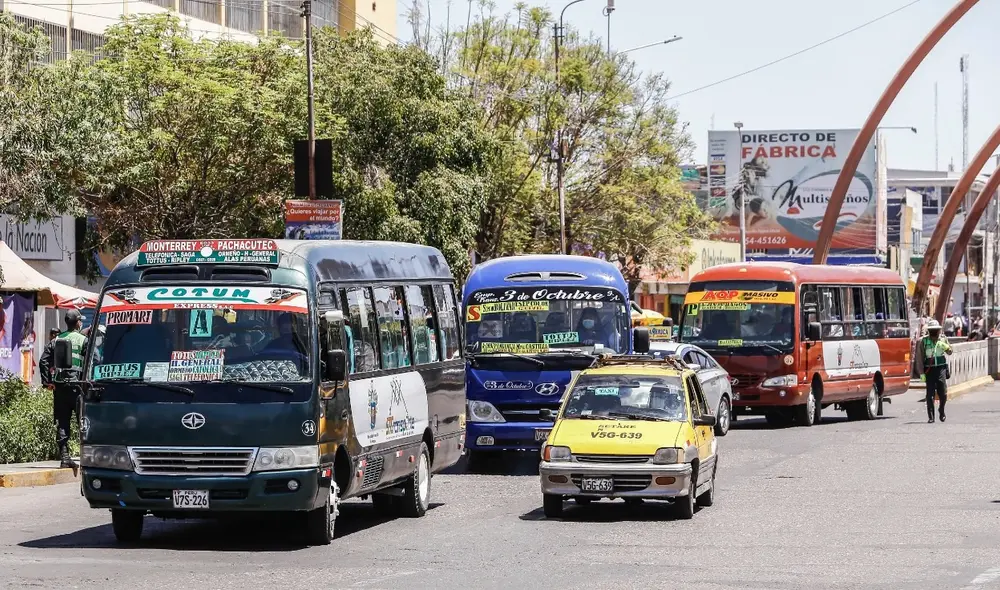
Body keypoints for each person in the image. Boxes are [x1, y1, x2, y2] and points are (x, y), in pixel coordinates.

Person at [38, 310, 88, 468]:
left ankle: (65, 458)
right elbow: (94, 362)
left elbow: (43, 361)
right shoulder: (84, 340)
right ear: (78, 322)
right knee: (84, 422)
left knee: (63, 422)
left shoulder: (56, 339)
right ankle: (88, 458)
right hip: (78, 387)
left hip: (60, 388)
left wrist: (48, 382)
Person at [915, 319, 953, 424]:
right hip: (929, 370)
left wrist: (946, 347)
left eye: (936, 330)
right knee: (930, 394)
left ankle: (941, 410)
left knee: (943, 393)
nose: (934, 333)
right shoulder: (923, 341)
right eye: (932, 330)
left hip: (941, 369)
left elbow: (950, 352)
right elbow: (919, 358)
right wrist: (921, 373)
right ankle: (931, 416)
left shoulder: (943, 339)